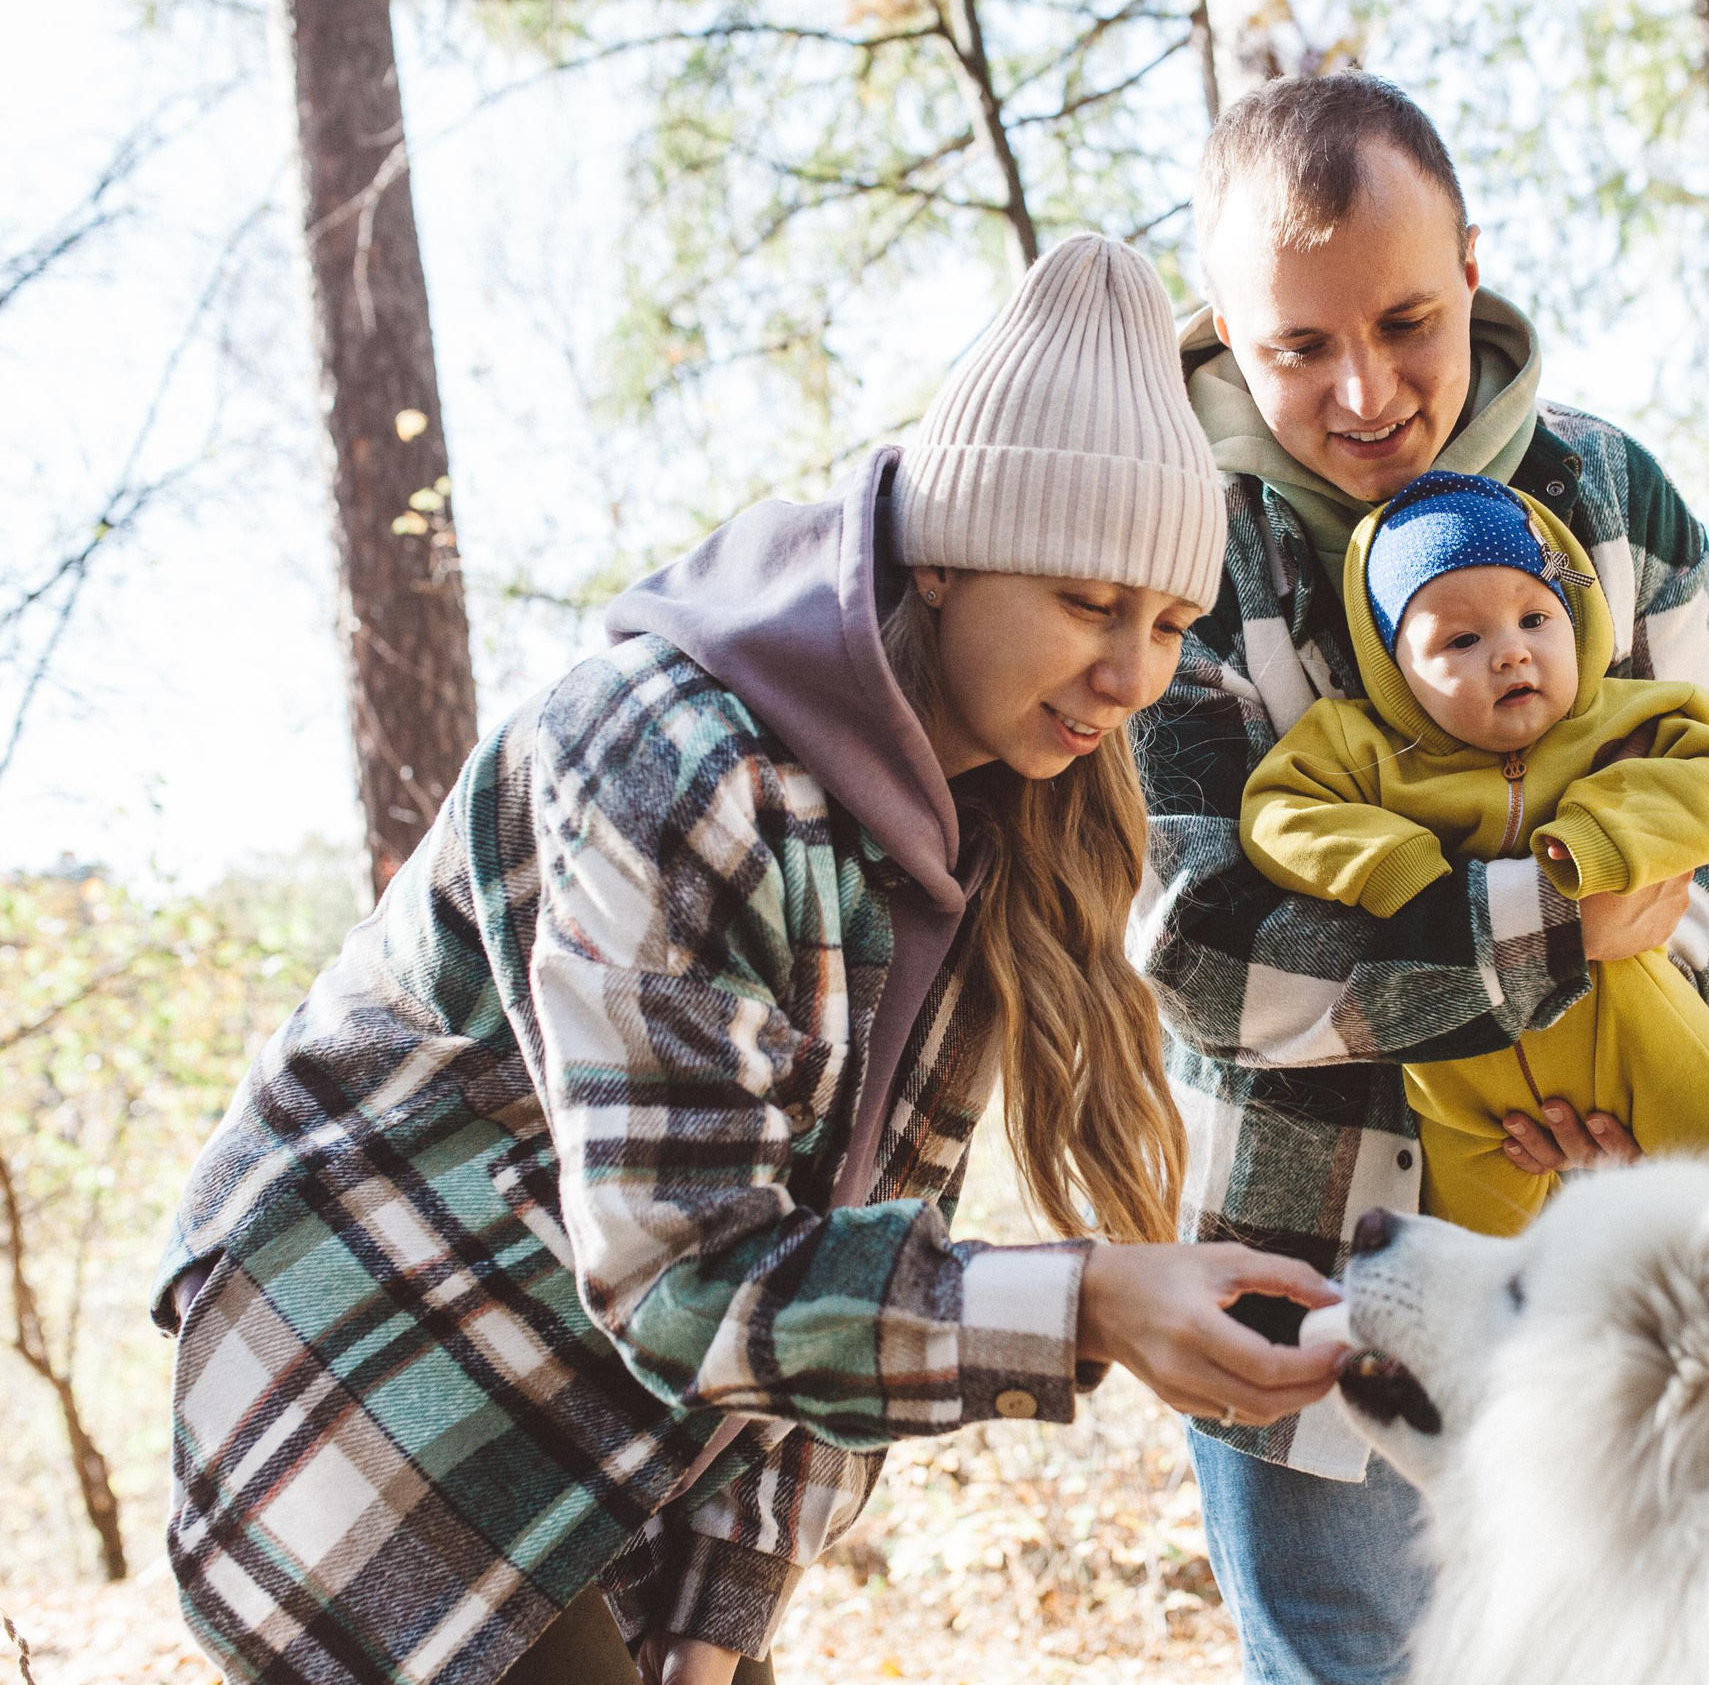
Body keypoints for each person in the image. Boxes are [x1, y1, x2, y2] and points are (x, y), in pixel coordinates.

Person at [150, 235, 1345, 1685]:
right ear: (946, 556)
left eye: (1167, 624)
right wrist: (1087, 1298)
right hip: (377, 1392)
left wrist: (721, 1629)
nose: (1132, 673)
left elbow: (832, 1282)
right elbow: (689, 1273)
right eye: (1091, 605)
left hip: (609, 1436)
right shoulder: (675, 757)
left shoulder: (988, 848)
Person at [1129, 75, 1709, 1684]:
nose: (1365, 391)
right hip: (1301, 1268)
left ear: (1471, 271)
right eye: (1300, 346)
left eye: (1407, 322)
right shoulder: (1171, 549)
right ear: (1224, 328)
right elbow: (1201, 942)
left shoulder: (1615, 498)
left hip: (1596, 1248)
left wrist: (1618, 1043)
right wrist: (1545, 944)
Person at [1239, 473, 1709, 1238]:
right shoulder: (1362, 745)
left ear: (1575, 618)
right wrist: (1395, 863)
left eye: (1535, 618)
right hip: (1459, 1072)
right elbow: (1279, 810)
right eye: (1461, 641)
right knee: (1469, 1264)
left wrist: (1605, 834)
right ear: (1394, 669)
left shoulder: (1628, 716)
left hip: (1632, 1029)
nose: (1510, 652)